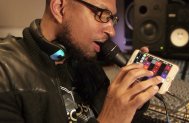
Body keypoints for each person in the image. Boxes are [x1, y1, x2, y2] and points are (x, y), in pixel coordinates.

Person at [0, 0, 162, 123]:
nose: (111, 31)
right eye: (102, 15)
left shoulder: (84, 59)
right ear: (59, 8)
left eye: (112, 18)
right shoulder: (5, 73)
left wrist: (133, 100)